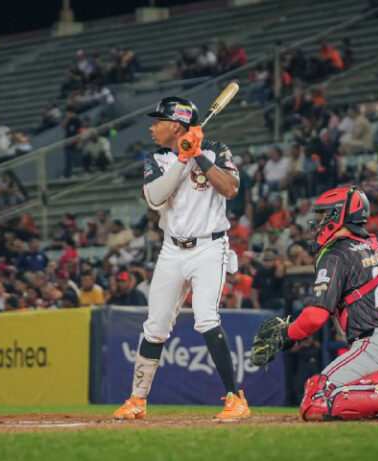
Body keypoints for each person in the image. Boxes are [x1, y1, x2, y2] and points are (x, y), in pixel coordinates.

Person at [113, 96, 249, 422]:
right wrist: (183, 158)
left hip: (209, 247)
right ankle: (137, 400)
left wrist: (198, 154)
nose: (152, 127)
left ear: (175, 125)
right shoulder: (157, 158)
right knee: (156, 325)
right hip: (172, 249)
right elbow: (155, 197)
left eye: (158, 121)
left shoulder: (215, 150)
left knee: (205, 317)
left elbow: (231, 189)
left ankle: (236, 399)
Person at [251, 186, 378, 421]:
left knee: (315, 400)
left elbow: (315, 316)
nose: (318, 222)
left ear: (338, 216)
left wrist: (287, 334)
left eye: (323, 215)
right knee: (345, 395)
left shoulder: (337, 253)